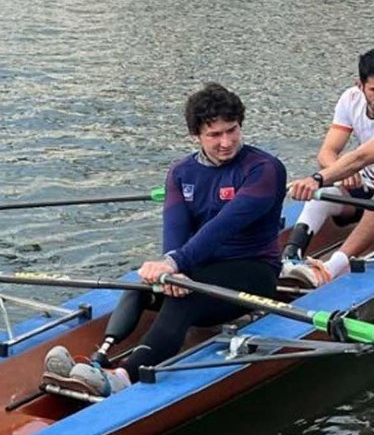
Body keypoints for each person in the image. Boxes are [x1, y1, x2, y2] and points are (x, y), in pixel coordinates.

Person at [42, 83, 286, 397]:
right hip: (200, 266)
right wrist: (171, 269)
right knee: (140, 287)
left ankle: (124, 377)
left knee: (185, 297)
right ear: (195, 135)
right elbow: (175, 229)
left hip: (254, 273)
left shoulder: (264, 169)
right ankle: (97, 359)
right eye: (214, 135)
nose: (226, 142)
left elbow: (224, 226)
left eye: (232, 130)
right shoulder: (181, 172)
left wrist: (174, 264)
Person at [280, 47, 374, 290]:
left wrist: (318, 178)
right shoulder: (350, 99)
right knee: (324, 194)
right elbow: (327, 153)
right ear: (360, 85)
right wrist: (339, 173)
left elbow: (361, 157)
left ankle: (330, 269)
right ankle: (290, 257)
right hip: (368, 185)